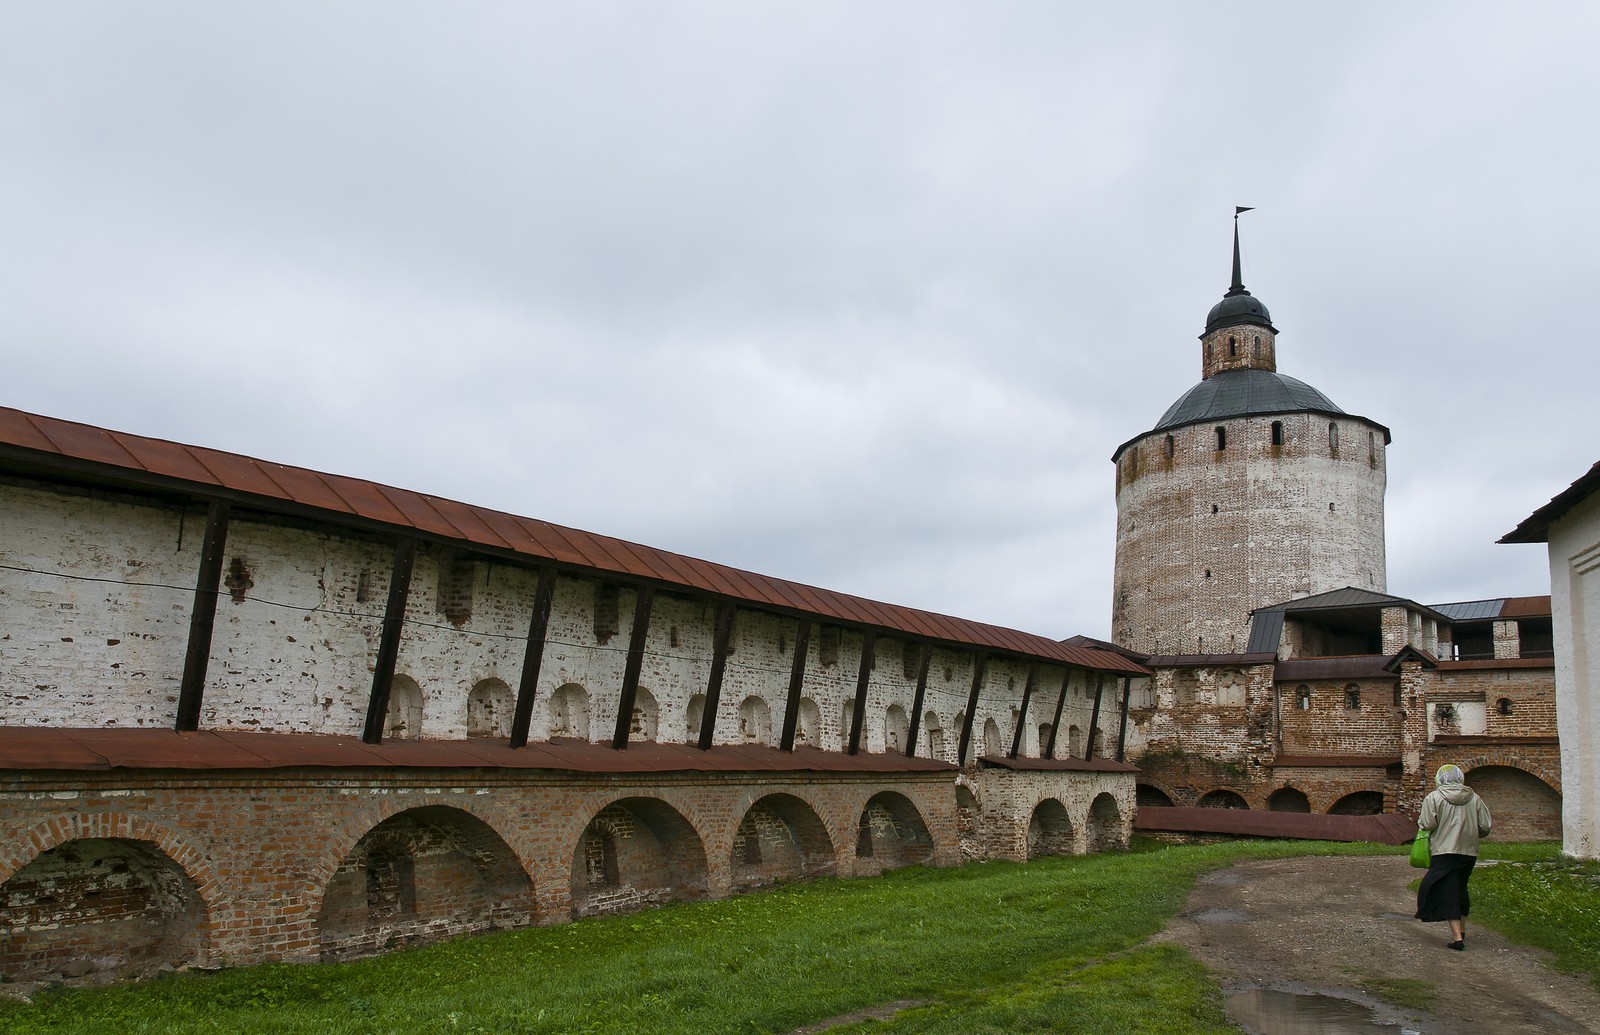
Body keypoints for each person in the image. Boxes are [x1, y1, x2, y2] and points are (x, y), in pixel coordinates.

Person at [1415, 763, 1493, 950]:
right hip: (1468, 852)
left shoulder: (1433, 797)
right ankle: (1462, 929)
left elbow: (1427, 823)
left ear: (1439, 778)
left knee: (1444, 890)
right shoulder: (1474, 798)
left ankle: (1457, 938)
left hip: (1444, 850)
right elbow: (1485, 826)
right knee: (1460, 888)